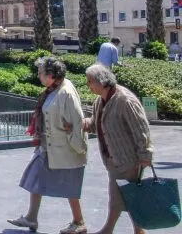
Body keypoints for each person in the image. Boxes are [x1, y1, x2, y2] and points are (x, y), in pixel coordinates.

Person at [8, 57, 88, 234]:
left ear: (51, 75)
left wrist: (78, 146)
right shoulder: (54, 89)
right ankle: (31, 217)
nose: (38, 75)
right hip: (49, 146)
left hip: (64, 148)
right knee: (35, 177)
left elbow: (77, 120)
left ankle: (79, 221)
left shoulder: (65, 92)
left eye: (41, 72)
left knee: (70, 186)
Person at [80, 64, 153, 234]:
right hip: (113, 158)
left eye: (90, 81)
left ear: (101, 81)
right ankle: (139, 230)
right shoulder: (100, 100)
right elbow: (98, 124)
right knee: (130, 196)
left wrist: (145, 154)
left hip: (128, 159)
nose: (87, 85)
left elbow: (140, 128)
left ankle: (108, 230)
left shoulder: (124, 100)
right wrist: (85, 124)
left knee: (117, 198)